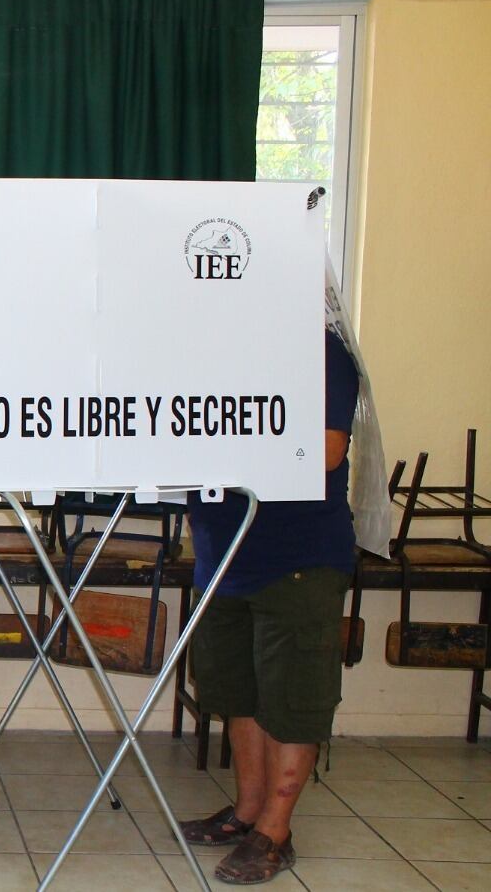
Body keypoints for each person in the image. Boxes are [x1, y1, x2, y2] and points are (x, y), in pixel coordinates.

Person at [179, 329, 360, 885]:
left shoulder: (319, 349)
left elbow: (328, 449)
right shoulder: (219, 348)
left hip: (296, 557)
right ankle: (248, 812)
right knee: (239, 691)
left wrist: (226, 442)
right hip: (225, 557)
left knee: (293, 696)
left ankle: (276, 832)